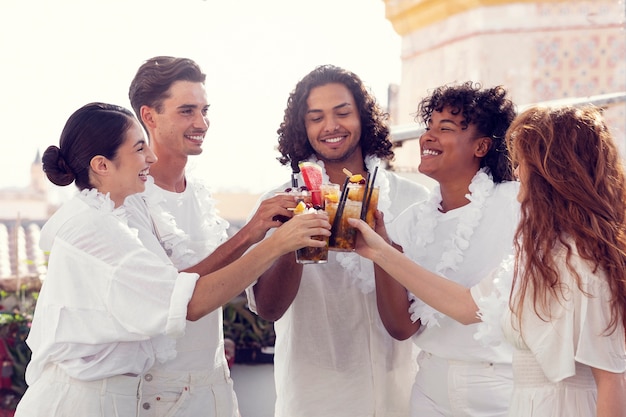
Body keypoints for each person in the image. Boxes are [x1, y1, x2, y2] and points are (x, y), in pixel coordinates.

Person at [15, 102, 330, 417]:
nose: (151, 157)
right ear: (101, 165)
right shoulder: (96, 232)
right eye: (139, 148)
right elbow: (189, 302)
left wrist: (252, 233)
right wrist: (278, 245)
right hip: (79, 405)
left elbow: (178, 283)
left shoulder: (100, 218)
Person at [349, 105, 626, 417]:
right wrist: (379, 250)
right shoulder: (539, 252)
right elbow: (468, 306)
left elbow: (612, 380)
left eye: (524, 164)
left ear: (557, 172)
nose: (516, 173)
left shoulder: (587, 264)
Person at [246, 64, 430, 417]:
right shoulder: (278, 202)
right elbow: (269, 309)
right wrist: (291, 238)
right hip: (315, 398)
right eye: (316, 117)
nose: (330, 126)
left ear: (363, 117)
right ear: (303, 128)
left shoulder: (413, 200)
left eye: (342, 112)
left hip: (403, 396)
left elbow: (422, 309)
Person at [125, 56, 300, 416]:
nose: (202, 123)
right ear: (149, 116)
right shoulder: (130, 200)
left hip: (215, 386)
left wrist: (285, 237)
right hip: (158, 394)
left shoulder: (201, 193)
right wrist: (254, 232)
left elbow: (239, 283)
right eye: (187, 111)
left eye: (205, 110)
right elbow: (176, 299)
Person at [372, 82, 519, 416]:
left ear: (481, 146)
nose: (428, 137)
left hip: (502, 389)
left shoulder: (517, 204)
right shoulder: (410, 222)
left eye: (446, 128)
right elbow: (401, 328)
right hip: (430, 389)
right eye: (429, 127)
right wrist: (382, 249)